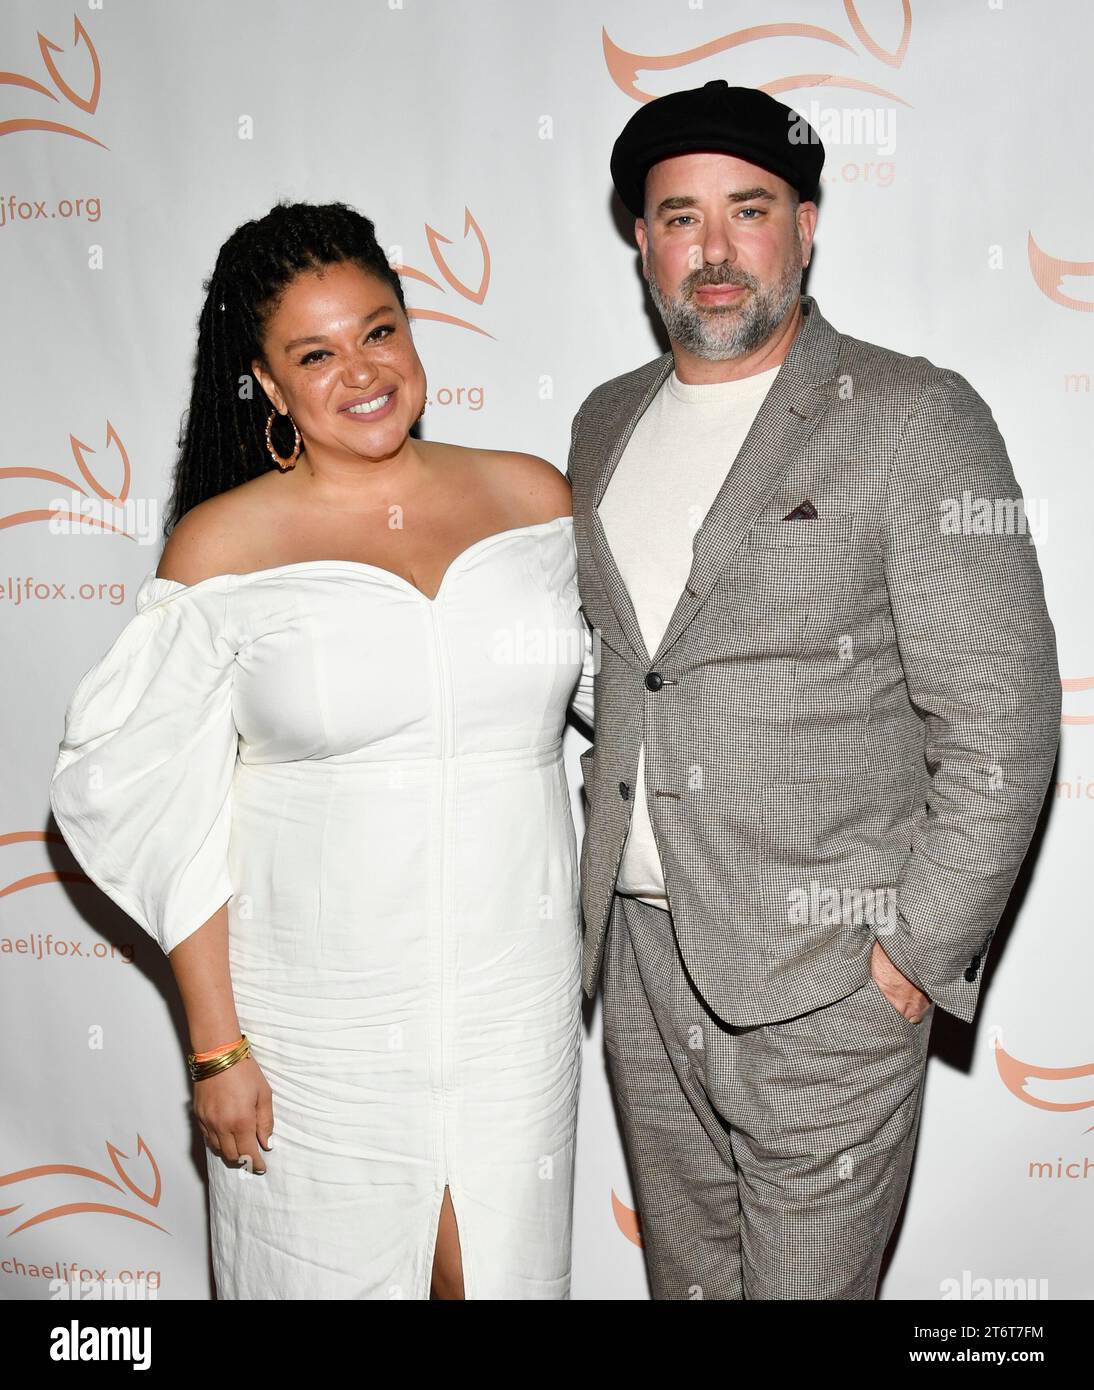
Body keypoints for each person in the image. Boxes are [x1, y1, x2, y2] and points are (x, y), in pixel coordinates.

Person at [567, 81, 1061, 1299]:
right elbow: (629, 669)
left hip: (826, 986)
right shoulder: (601, 424)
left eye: (749, 209)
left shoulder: (910, 416)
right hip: (639, 967)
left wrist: (908, 958)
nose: (715, 248)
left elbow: (1002, 716)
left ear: (805, 222)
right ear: (641, 239)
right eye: (680, 217)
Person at [49, 200, 595, 1300]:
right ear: (264, 380)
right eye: (316, 352)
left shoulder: (530, 500)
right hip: (317, 1029)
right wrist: (216, 1047)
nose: (362, 370)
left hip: (511, 1006)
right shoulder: (223, 544)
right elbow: (162, 806)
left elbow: (637, 702)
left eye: (378, 330)